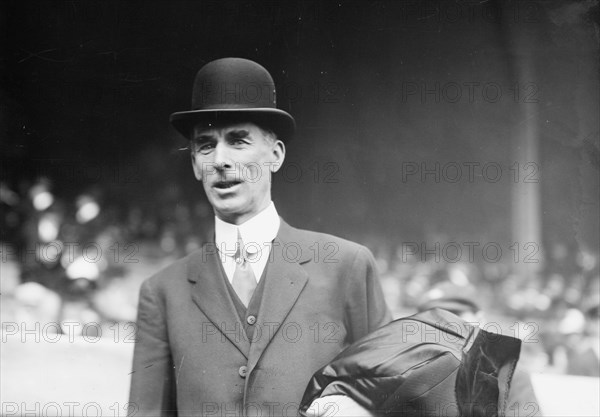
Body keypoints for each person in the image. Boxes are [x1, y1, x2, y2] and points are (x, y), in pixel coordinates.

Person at [128, 57, 391, 417]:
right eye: (206, 145)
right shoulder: (162, 293)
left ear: (276, 155)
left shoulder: (346, 266)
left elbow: (392, 393)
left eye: (238, 141)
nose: (220, 159)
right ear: (194, 164)